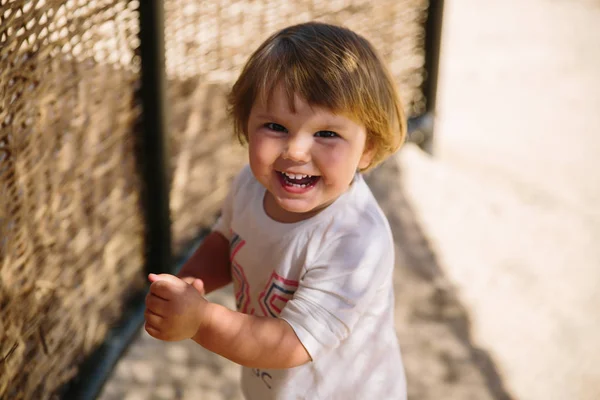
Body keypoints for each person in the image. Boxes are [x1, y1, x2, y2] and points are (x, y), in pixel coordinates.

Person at [144, 21, 407, 400]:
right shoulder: (250, 186)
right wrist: (189, 282)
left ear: (368, 147)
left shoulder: (356, 240)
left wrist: (199, 320)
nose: (296, 151)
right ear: (247, 126)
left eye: (327, 134)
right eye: (275, 126)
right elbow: (227, 240)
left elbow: (289, 344)